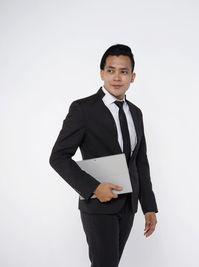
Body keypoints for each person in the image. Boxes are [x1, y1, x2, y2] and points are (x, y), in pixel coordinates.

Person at [49, 44, 158, 267]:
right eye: (111, 70)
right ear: (102, 74)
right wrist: (93, 188)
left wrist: (149, 206)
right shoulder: (83, 109)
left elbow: (140, 161)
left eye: (123, 71)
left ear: (132, 76)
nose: (117, 77)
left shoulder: (135, 113)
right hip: (98, 205)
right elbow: (58, 157)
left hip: (128, 206)